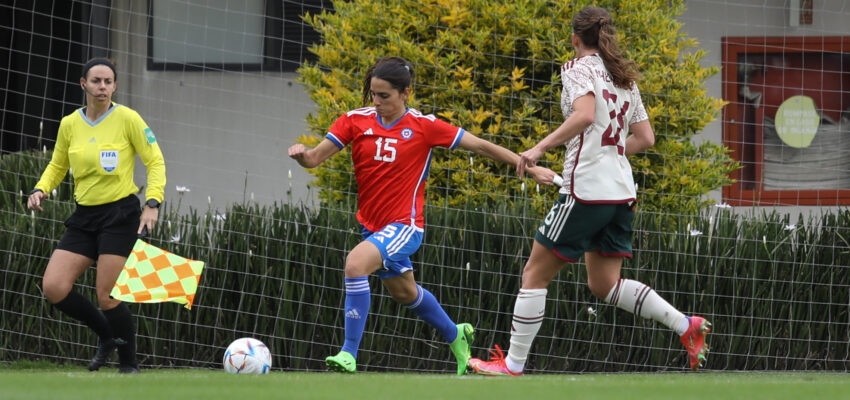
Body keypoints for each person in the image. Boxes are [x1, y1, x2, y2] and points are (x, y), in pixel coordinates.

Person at [468, 6, 711, 376]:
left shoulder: (577, 68)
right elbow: (646, 138)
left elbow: (583, 115)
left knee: (534, 274)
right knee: (604, 285)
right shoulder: (624, 78)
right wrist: (609, 152)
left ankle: (513, 365)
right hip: (620, 193)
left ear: (575, 39)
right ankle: (685, 326)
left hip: (587, 192)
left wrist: (538, 149)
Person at [288, 56, 556, 374]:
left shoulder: (424, 126)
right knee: (405, 293)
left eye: (384, 95)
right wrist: (302, 156)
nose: (377, 102)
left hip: (405, 226)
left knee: (355, 265)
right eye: (373, 94)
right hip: (370, 227)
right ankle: (456, 334)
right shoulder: (353, 121)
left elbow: (482, 146)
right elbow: (315, 159)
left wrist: (531, 167)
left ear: (405, 93)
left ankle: (348, 354)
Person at [27, 58, 166, 373]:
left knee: (107, 294)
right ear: (83, 84)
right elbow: (58, 165)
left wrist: (152, 203)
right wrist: (41, 189)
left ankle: (129, 366)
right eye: (96, 81)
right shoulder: (69, 124)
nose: (102, 87)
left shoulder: (128, 119)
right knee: (54, 286)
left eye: (108, 82)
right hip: (84, 216)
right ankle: (105, 335)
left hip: (120, 214)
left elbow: (155, 161)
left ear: (115, 86)